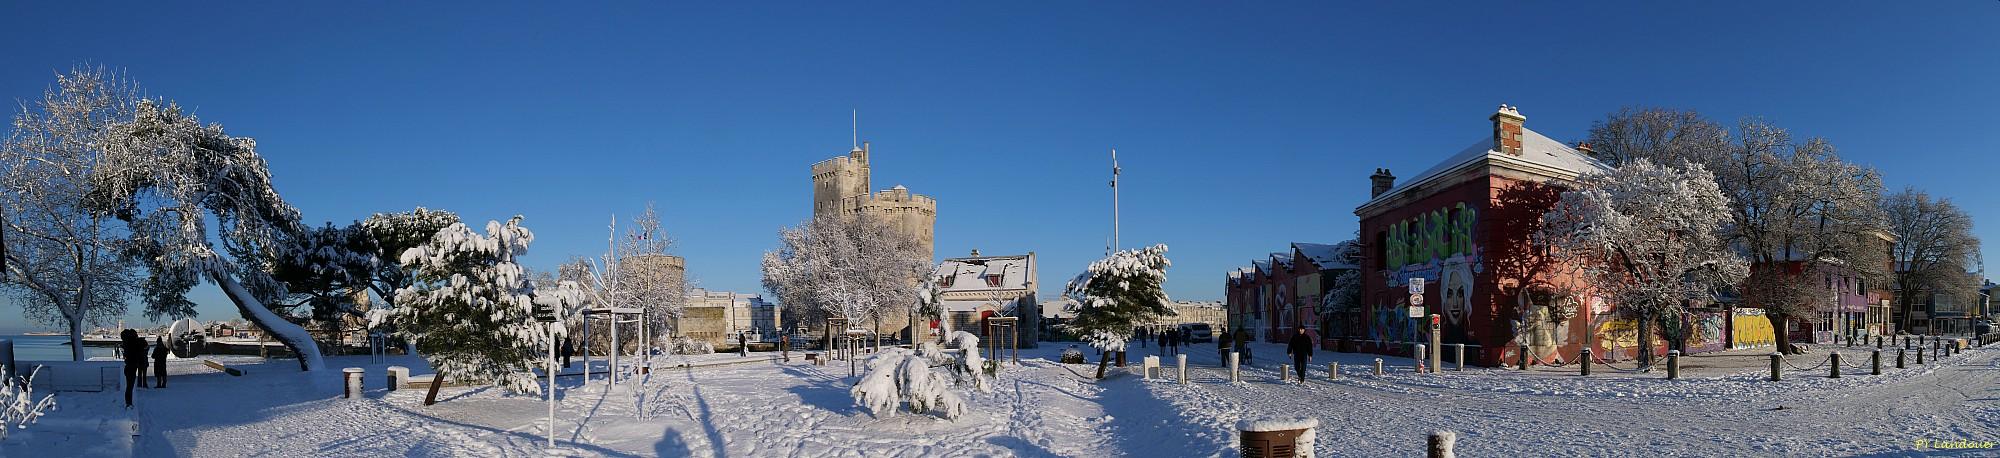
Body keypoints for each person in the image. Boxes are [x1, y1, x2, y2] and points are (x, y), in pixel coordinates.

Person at [120, 329, 145, 408]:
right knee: (130, 385)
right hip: (133, 365)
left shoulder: (126, 343)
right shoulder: (136, 342)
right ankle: (129, 403)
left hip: (129, 365)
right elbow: (145, 345)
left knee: (129, 386)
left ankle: (128, 402)